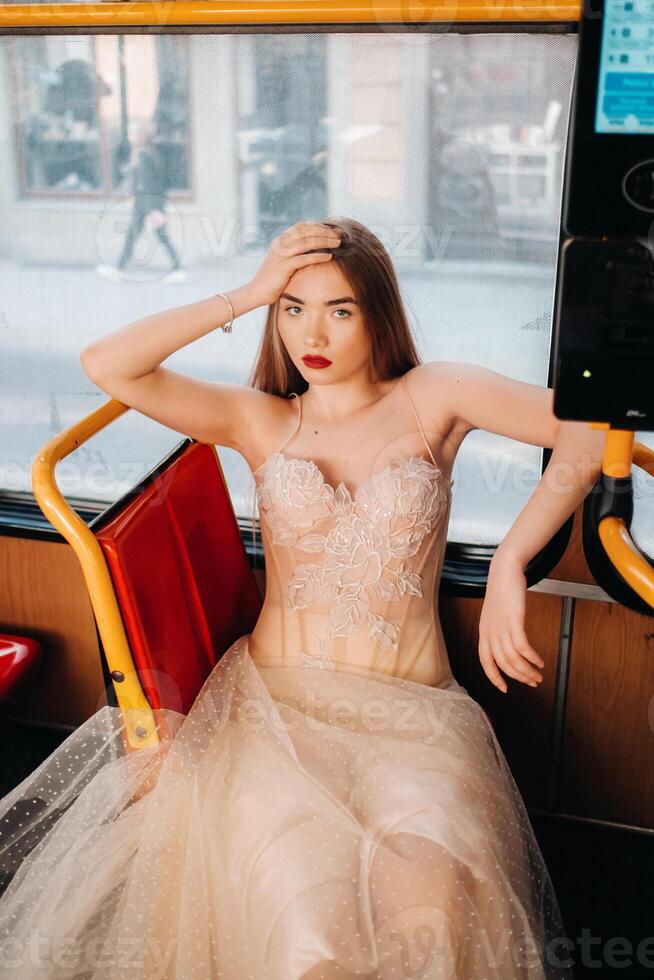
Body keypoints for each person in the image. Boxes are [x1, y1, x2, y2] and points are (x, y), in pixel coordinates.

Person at [0, 218, 585, 978]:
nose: (314, 332)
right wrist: (246, 291)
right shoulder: (260, 418)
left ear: (380, 312)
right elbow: (109, 363)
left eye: (340, 309)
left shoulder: (433, 397)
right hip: (272, 712)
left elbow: (586, 427)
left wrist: (512, 559)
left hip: (412, 715)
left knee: (433, 900)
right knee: (313, 930)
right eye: (293, 308)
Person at [96, 119, 186, 284]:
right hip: (145, 202)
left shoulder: (143, 155)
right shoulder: (147, 152)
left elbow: (145, 183)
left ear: (139, 136)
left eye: (132, 134)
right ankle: (119, 269)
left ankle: (178, 270)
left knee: (160, 235)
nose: (130, 137)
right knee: (133, 235)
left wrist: (153, 210)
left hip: (147, 202)